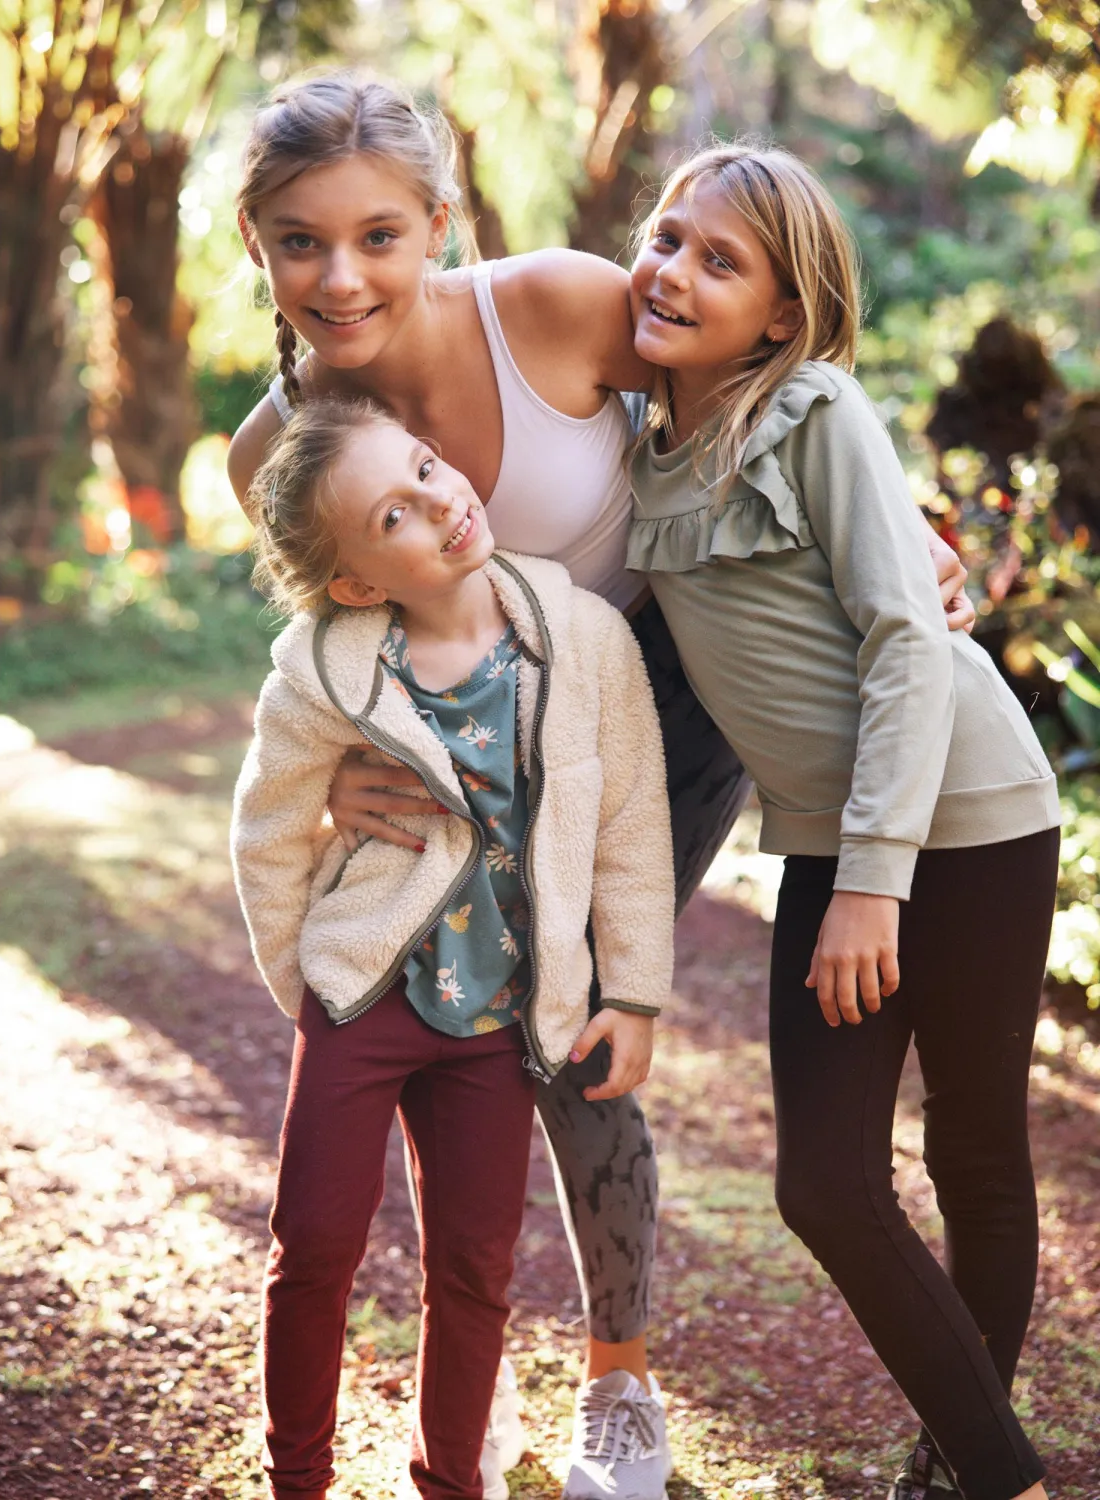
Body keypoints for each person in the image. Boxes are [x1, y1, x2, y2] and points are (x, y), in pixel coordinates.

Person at [227, 71, 976, 1500]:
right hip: (477, 750)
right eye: (299, 241)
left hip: (667, 688)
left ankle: (619, 1388)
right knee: (467, 1024)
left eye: (380, 235)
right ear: (254, 244)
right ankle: (471, 1385)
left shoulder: (559, 309)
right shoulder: (275, 454)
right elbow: (321, 662)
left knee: (563, 1015)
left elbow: (771, 383)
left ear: (437, 221)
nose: (341, 276)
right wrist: (336, 803)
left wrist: (902, 531)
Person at [624, 140, 1061, 1500]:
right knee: (823, 1184)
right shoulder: (637, 450)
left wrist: (875, 878)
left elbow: (903, 643)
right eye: (667, 234)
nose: (674, 268)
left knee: (976, 1147)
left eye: (721, 259)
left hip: (972, 817)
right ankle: (998, 1466)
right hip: (835, 841)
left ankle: (974, 1470)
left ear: (785, 315)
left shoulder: (814, 412)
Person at [230, 395, 675, 1499]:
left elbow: (629, 823)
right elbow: (270, 829)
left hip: (502, 1015)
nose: (438, 502)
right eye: (393, 514)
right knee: (315, 1247)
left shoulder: (583, 638)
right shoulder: (323, 670)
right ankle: (298, 1479)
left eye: (427, 469)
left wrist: (637, 992)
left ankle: (450, 1484)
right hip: (365, 993)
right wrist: (308, 984)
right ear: (358, 583)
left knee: (474, 1266)